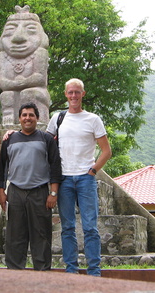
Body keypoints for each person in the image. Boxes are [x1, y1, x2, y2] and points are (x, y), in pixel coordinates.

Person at [46, 78, 112, 276]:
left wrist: (92, 171)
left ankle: (94, 271)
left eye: (77, 92)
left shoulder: (93, 119)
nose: (73, 96)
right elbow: (45, 143)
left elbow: (106, 151)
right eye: (70, 92)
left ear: (83, 94)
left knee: (90, 227)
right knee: (67, 227)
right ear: (65, 95)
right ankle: (71, 269)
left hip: (85, 179)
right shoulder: (57, 118)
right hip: (64, 179)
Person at [0, 102, 62, 270]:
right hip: (16, 192)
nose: (27, 118)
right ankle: (15, 271)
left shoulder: (46, 139)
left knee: (41, 235)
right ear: (19, 118)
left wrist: (53, 193)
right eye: (24, 115)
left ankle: (42, 272)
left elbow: (55, 165)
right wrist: (1, 191)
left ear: (37, 118)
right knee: (14, 235)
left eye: (31, 115)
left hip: (39, 192)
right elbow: (2, 166)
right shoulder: (9, 139)